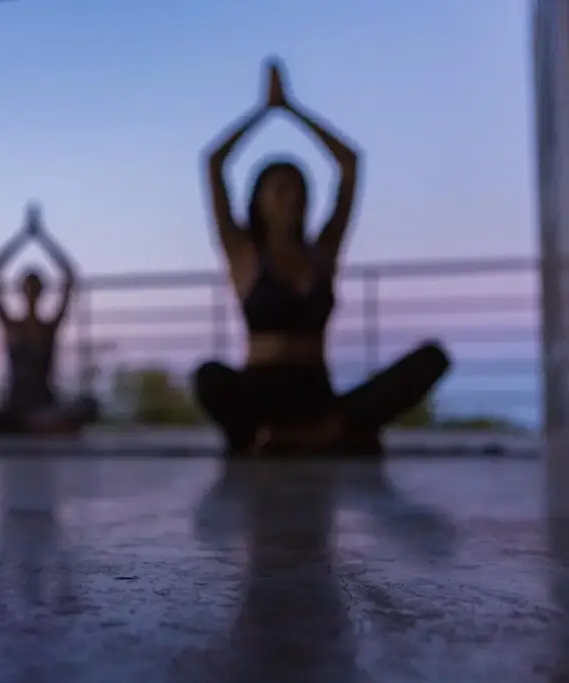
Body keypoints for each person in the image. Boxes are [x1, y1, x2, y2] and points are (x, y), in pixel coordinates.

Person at [192, 59, 451, 456]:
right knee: (207, 377)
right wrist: (265, 110)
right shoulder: (243, 252)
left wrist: (293, 109)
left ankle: (290, 438)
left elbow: (350, 163)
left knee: (432, 359)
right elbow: (213, 163)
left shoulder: (322, 252)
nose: (292, 198)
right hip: (260, 390)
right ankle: (319, 436)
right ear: (258, 201)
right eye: (280, 190)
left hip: (315, 390)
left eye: (299, 189)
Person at [0, 203, 99, 436]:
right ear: (21, 291)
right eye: (28, 287)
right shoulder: (11, 326)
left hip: (46, 407)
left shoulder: (50, 326)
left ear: (42, 291)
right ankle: (36, 426)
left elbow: (69, 274)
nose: (31, 293)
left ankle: (36, 425)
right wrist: (24, 236)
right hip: (16, 409)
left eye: (35, 287)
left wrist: (43, 237)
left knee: (89, 406)